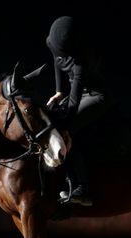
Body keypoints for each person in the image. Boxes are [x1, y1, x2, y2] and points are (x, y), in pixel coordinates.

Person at [46, 15, 115, 206]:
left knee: (66, 129)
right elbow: (55, 62)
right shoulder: (52, 42)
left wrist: (67, 127)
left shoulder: (81, 61)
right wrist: (59, 91)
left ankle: (83, 188)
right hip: (77, 92)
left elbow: (75, 100)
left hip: (96, 95)